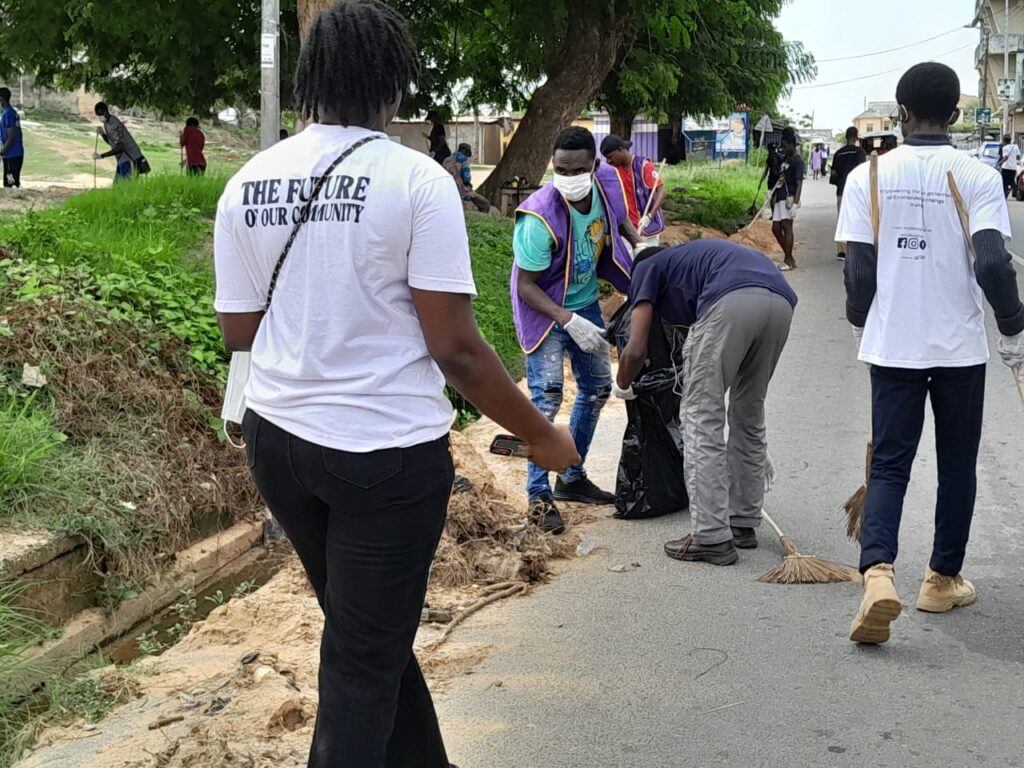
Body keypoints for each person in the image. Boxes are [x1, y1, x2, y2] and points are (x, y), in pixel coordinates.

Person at [213, 2, 579, 765]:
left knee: (367, 637)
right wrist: (544, 435)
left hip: (279, 447)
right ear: (393, 85)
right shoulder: (416, 180)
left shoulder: (247, 182)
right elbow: (457, 352)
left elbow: (239, 337)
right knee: (361, 664)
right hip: (384, 459)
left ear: (312, 79)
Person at [839, 62, 1024, 646]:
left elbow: (860, 271)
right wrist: (1014, 332)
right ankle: (941, 579)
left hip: (894, 344)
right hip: (958, 347)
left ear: (900, 112)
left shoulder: (867, 175)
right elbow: (993, 262)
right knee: (956, 464)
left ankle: (877, 574)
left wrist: (861, 325)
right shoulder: (976, 174)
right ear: (955, 115)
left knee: (891, 463)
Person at [613, 242, 797, 565]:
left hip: (731, 301)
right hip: (780, 301)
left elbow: (635, 350)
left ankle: (711, 535)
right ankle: (742, 521)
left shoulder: (645, 268)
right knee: (748, 413)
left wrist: (622, 385)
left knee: (700, 417)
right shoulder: (692, 263)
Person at [512, 125, 640, 533]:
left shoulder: (604, 190)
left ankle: (571, 474)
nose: (568, 178)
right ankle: (538, 497)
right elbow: (526, 286)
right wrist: (565, 319)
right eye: (561, 170)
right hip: (547, 311)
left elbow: (619, 225)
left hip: (585, 302)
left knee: (598, 389)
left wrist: (641, 244)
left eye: (577, 169)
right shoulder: (538, 217)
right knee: (546, 400)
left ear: (593, 166)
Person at [600, 133, 666, 246]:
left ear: (620, 150)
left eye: (610, 157)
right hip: (627, 230)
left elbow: (661, 192)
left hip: (645, 227)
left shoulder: (644, 166)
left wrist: (649, 216)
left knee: (646, 260)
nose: (608, 161)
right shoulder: (614, 171)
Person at [768, 127, 803, 271]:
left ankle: (788, 260)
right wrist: (771, 192)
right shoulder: (786, 159)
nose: (784, 148)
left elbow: (799, 183)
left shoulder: (797, 161)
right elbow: (780, 177)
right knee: (776, 228)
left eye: (786, 145)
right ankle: (789, 258)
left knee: (787, 228)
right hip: (779, 196)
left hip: (788, 198)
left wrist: (795, 203)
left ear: (792, 144)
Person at [831, 126, 868, 261]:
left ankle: (841, 251)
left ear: (846, 137)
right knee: (856, 218)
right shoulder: (860, 153)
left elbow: (833, 174)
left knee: (842, 219)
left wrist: (840, 181)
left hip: (841, 190)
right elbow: (863, 171)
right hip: (856, 192)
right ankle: (854, 250)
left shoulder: (838, 153)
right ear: (856, 138)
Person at [93, 102, 143, 181]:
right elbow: (112, 143)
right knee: (117, 187)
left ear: (106, 112)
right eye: (98, 115)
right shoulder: (107, 123)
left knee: (125, 187)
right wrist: (102, 134)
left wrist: (101, 156)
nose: (99, 117)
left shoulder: (114, 123)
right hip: (122, 159)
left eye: (100, 115)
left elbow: (120, 147)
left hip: (129, 158)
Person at [443, 142, 490, 213]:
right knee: (485, 203)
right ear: (465, 151)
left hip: (446, 191)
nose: (468, 156)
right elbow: (466, 178)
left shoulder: (446, 160)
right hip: (461, 192)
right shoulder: (464, 160)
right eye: (468, 154)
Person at [0, 87, 24, 189]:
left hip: (11, 155)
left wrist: (2, 151)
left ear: (1, 99)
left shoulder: (8, 114)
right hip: (12, 154)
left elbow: (12, 136)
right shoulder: (11, 113)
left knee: (10, 185)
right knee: (10, 183)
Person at [997, 133, 1021, 199]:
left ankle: (1004, 194)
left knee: (1004, 182)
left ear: (1004, 141)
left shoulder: (1005, 148)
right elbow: (1018, 157)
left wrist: (999, 163)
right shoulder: (1015, 147)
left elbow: (1005, 157)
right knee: (1011, 181)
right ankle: (1016, 190)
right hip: (1013, 167)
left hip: (1005, 167)